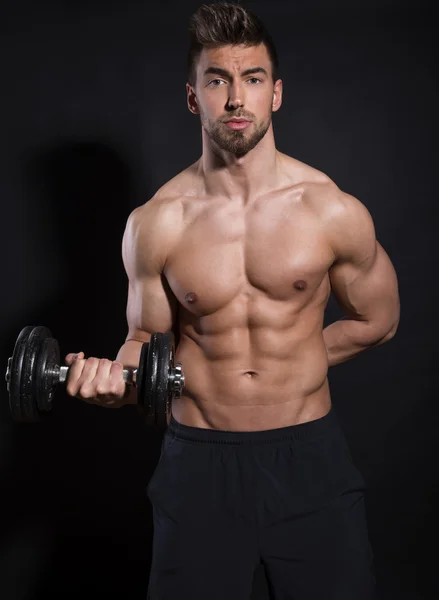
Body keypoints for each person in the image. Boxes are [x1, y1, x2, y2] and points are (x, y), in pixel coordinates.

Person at [65, 3, 400, 599]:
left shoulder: (331, 211)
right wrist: (112, 379)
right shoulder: (156, 224)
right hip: (197, 464)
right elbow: (144, 343)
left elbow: (379, 320)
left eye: (252, 79)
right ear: (194, 98)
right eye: (217, 80)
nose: (236, 98)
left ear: (276, 94)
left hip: (308, 461)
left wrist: (296, 363)